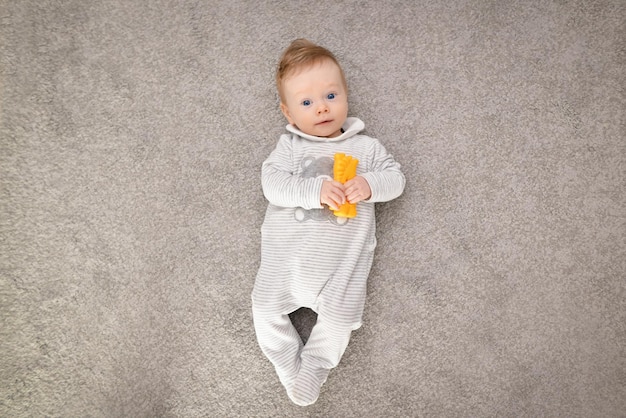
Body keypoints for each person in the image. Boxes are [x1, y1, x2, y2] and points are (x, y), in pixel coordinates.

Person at [252, 39, 406, 406]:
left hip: (342, 264)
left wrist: (368, 184)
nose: (321, 107)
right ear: (288, 114)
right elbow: (271, 185)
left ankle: (316, 365)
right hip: (288, 260)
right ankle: (288, 364)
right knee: (263, 307)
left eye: (330, 96)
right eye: (306, 103)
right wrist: (314, 191)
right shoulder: (290, 146)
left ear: (346, 96)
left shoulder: (365, 149)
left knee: (340, 319)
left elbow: (396, 179)